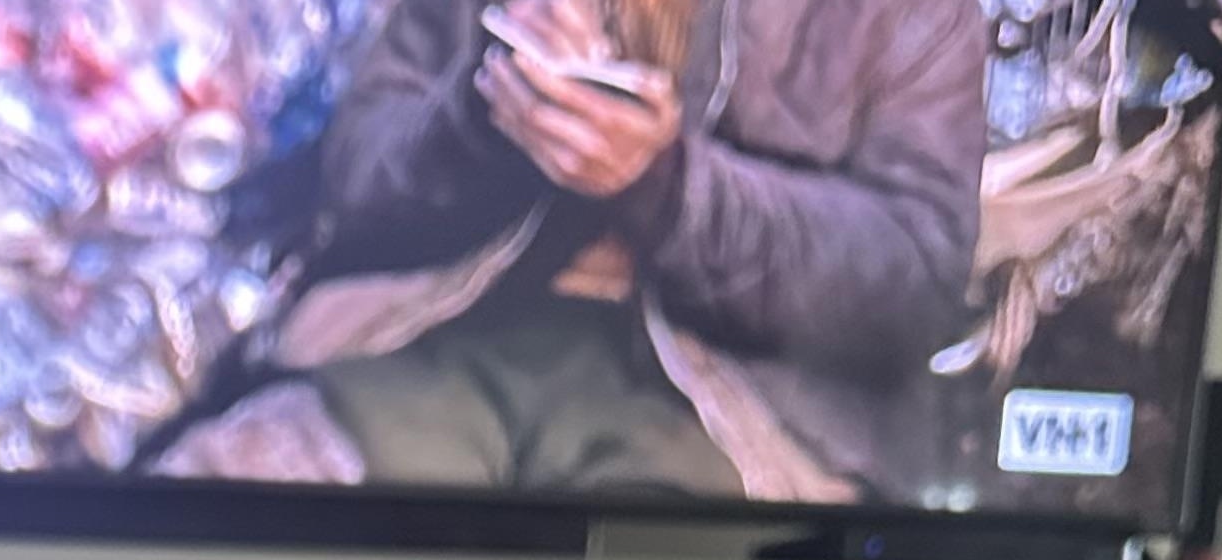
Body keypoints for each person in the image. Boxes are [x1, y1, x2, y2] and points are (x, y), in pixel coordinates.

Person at [166, 0, 989, 502]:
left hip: (746, 409)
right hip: (436, 342)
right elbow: (361, 183)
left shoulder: (911, 12)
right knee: (206, 505)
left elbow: (913, 283)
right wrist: (489, 109)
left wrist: (668, 187)